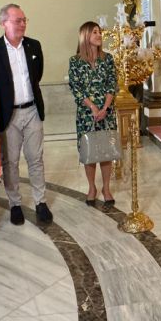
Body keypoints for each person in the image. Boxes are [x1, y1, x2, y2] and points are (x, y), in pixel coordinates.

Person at [0, 4, 52, 225]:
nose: (22, 24)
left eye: (24, 20)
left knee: (36, 159)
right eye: (17, 20)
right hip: (8, 114)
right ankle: (15, 204)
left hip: (31, 110)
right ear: (4, 23)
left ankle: (41, 201)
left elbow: (36, 76)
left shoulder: (34, 46)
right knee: (10, 162)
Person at [68, 21, 118, 206]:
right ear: (85, 36)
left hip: (107, 113)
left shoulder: (108, 59)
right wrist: (93, 108)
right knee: (90, 153)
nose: (99, 35)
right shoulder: (75, 61)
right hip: (86, 114)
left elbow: (112, 84)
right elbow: (76, 88)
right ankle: (92, 187)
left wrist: (104, 108)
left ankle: (106, 187)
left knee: (106, 151)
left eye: (99, 32)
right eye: (94, 32)